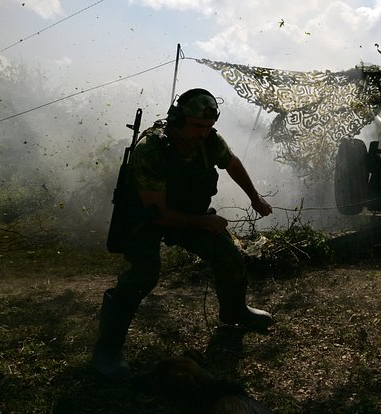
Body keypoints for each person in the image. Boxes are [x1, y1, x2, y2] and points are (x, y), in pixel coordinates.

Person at [93, 88, 274, 378]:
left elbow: (232, 162)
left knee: (227, 254)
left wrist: (254, 196)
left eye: (208, 127)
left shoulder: (208, 140)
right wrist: (203, 223)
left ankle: (234, 311)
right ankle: (108, 348)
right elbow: (159, 214)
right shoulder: (151, 150)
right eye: (197, 126)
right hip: (146, 219)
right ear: (177, 120)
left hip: (188, 213)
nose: (204, 133)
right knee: (144, 274)